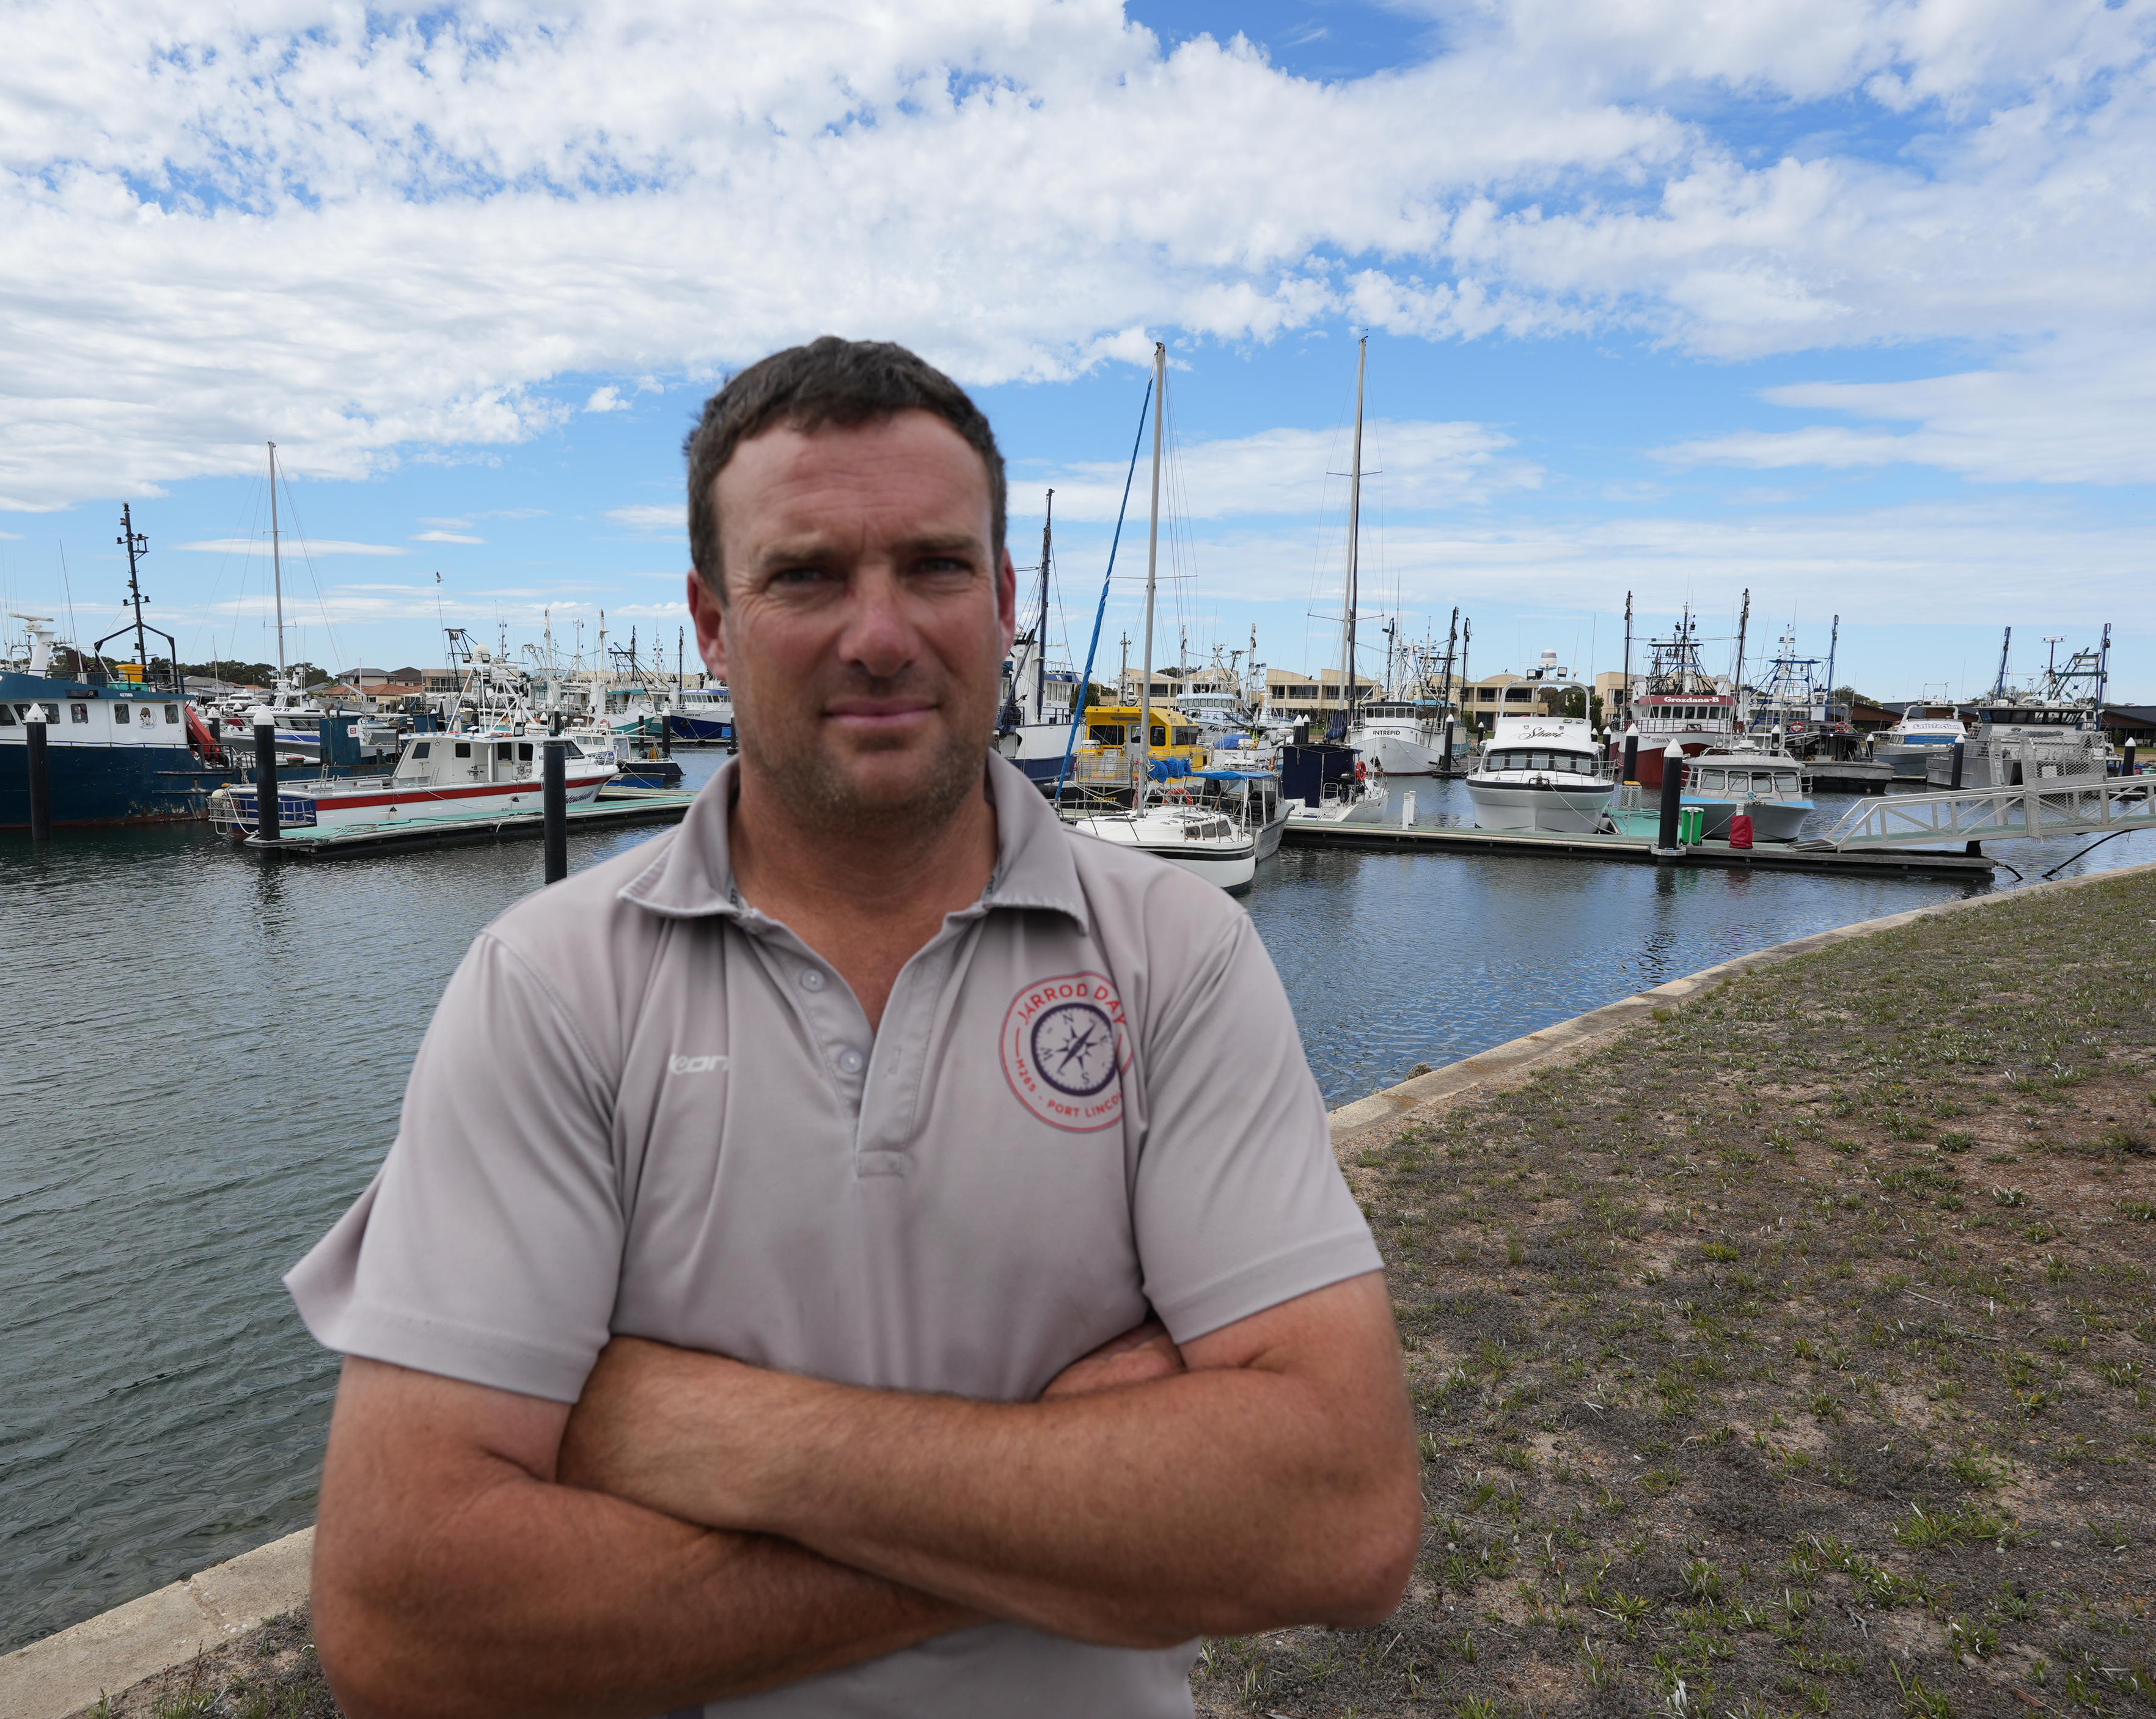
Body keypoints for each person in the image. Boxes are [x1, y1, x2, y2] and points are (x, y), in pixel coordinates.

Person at [287, 337, 1418, 1718]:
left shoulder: (1176, 956)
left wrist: (734, 1442)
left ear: (1004, 603)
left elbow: (1341, 1520)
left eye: (935, 568)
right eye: (807, 574)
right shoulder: (550, 988)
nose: (878, 635)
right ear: (711, 623)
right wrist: (1076, 1492)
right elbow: (409, 1627)